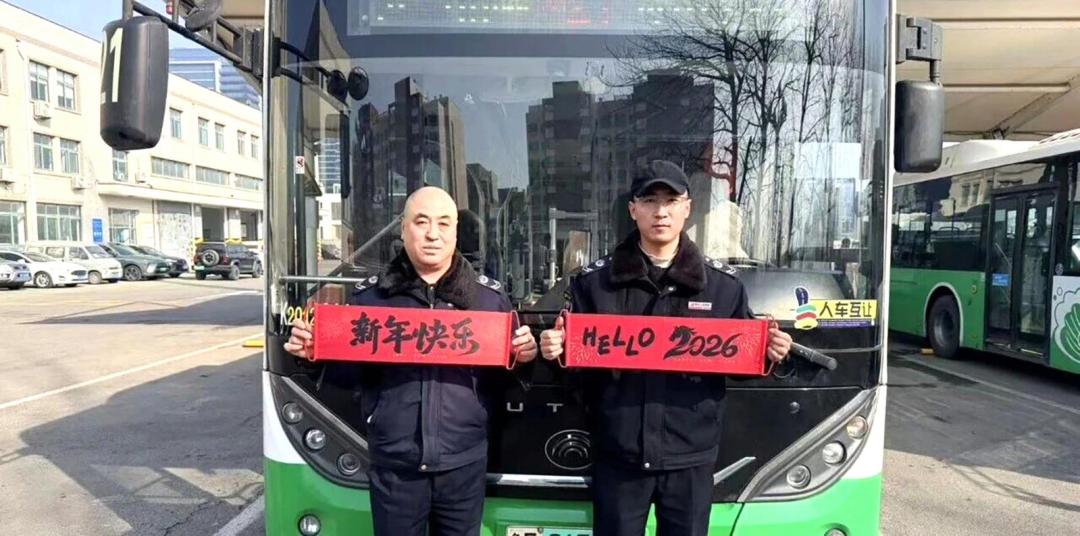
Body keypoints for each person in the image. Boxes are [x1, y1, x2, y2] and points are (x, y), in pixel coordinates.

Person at [538, 160, 792, 536]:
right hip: (619, 457)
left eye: (671, 201)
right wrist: (556, 350)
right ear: (633, 209)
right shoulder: (594, 284)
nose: (661, 211)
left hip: (690, 458)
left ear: (687, 208)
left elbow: (738, 363)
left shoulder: (723, 287)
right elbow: (574, 370)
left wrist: (768, 352)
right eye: (650, 200)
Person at [285, 186, 538, 535]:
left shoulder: (488, 300)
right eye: (421, 222)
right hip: (395, 464)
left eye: (444, 223)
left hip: (463, 465)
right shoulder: (371, 299)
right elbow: (349, 377)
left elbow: (505, 383)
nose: (433, 234)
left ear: (455, 232)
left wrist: (523, 358)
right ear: (403, 229)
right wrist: (313, 355)